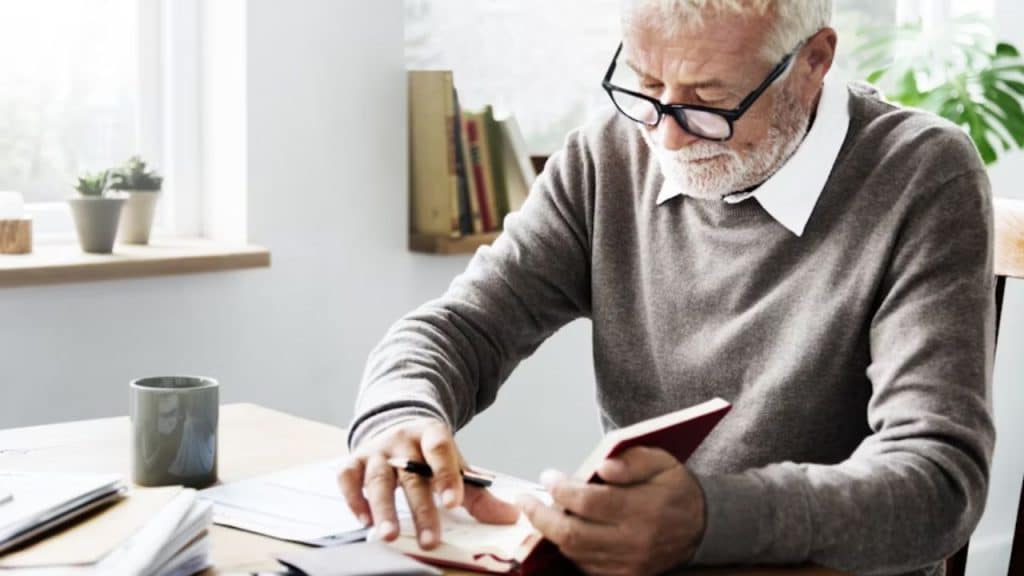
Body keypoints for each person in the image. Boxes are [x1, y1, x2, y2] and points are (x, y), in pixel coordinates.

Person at [339, 1, 996, 574]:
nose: (667, 136)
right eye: (647, 83)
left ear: (815, 60)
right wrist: (399, 415)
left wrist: (710, 519)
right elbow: (463, 328)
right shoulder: (609, 156)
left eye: (710, 99)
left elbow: (939, 483)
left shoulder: (922, 174)